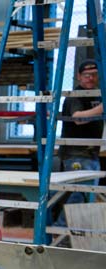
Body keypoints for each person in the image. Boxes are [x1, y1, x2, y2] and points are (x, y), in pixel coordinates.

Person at [55, 59, 103, 227]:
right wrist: (102, 108)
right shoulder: (75, 95)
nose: (90, 78)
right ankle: (61, 233)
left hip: (91, 154)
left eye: (94, 74)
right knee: (77, 197)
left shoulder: (98, 94)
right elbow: (78, 118)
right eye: (86, 75)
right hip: (76, 154)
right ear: (79, 77)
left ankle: (74, 235)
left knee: (86, 197)